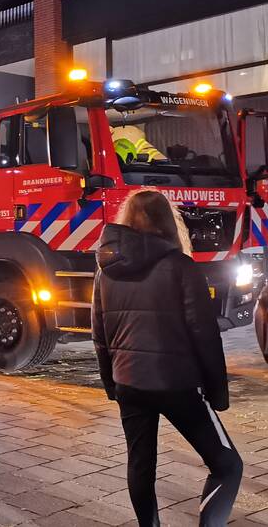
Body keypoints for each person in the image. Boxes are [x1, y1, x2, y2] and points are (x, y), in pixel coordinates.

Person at [93, 190, 242, 527]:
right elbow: (204, 335)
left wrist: (112, 385)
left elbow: (99, 335)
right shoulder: (180, 266)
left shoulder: (106, 271)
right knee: (227, 464)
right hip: (178, 385)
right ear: (168, 222)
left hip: (128, 382)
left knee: (140, 465)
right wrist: (217, 393)